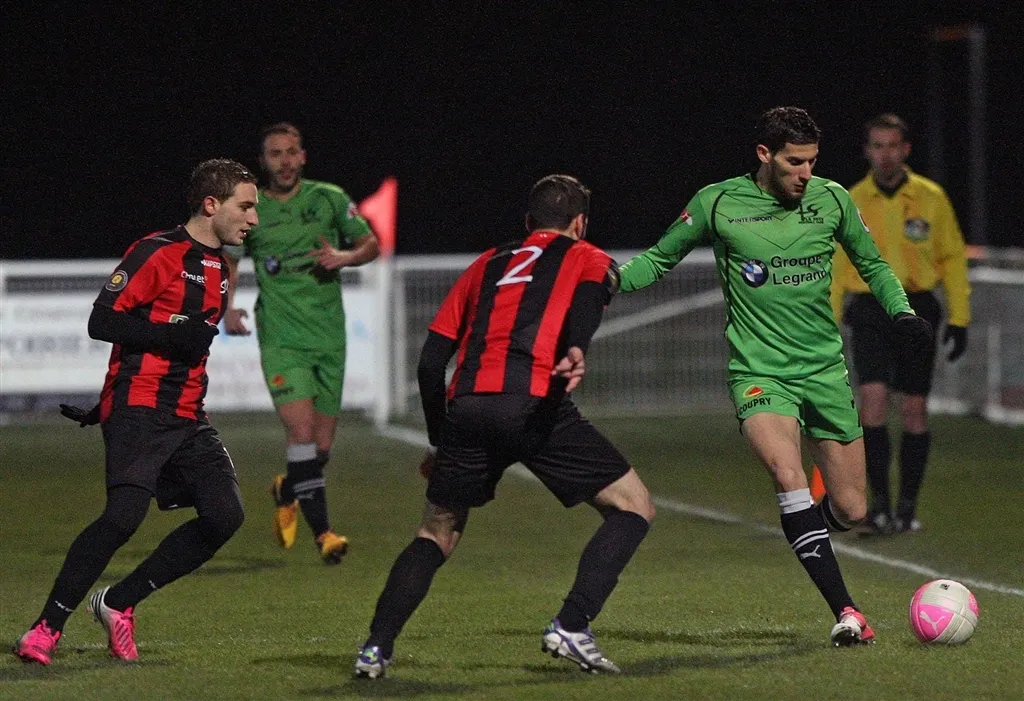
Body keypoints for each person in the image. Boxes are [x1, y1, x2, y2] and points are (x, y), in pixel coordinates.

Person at [617, 107, 934, 646]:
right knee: (788, 475)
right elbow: (657, 260)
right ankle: (848, 612)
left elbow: (873, 265)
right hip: (760, 371)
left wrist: (901, 313)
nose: (805, 173)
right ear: (765, 155)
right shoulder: (717, 202)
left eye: (812, 161)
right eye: (794, 162)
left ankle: (804, 526)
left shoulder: (832, 199)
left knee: (853, 509)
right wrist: (603, 282)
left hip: (824, 371)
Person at [353, 175, 655, 679]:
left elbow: (430, 364)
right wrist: (576, 347)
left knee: (436, 531)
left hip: (468, 407)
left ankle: (374, 649)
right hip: (534, 405)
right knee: (633, 506)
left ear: (529, 221)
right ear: (580, 224)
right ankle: (572, 624)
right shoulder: (587, 256)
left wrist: (441, 440)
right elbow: (586, 302)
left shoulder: (486, 264)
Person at [13, 158, 257, 665]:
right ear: (211, 204)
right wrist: (167, 341)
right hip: (141, 406)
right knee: (123, 517)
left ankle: (118, 602)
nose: (254, 218)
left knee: (224, 516)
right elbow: (102, 322)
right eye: (246, 206)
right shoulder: (156, 252)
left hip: (189, 414)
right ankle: (46, 627)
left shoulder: (223, 267)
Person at [223, 122, 379, 564]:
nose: (285, 161)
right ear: (262, 162)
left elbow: (370, 243)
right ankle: (324, 534)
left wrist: (345, 257)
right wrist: (227, 307)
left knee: (320, 448)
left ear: (303, 157)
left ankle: (287, 488)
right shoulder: (250, 208)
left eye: (291, 152)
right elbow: (229, 261)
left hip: (328, 337)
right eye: (275, 154)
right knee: (301, 434)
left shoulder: (329, 198)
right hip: (282, 338)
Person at [831, 113, 970, 536]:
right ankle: (879, 507)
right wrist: (827, 320)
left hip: (918, 308)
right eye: (878, 146)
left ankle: (907, 508)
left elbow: (952, 257)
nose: (885, 154)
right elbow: (837, 265)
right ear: (867, 151)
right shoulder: (851, 200)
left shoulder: (931, 197)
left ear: (906, 149)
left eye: (893, 146)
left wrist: (959, 319)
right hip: (870, 308)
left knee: (914, 408)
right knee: (872, 401)